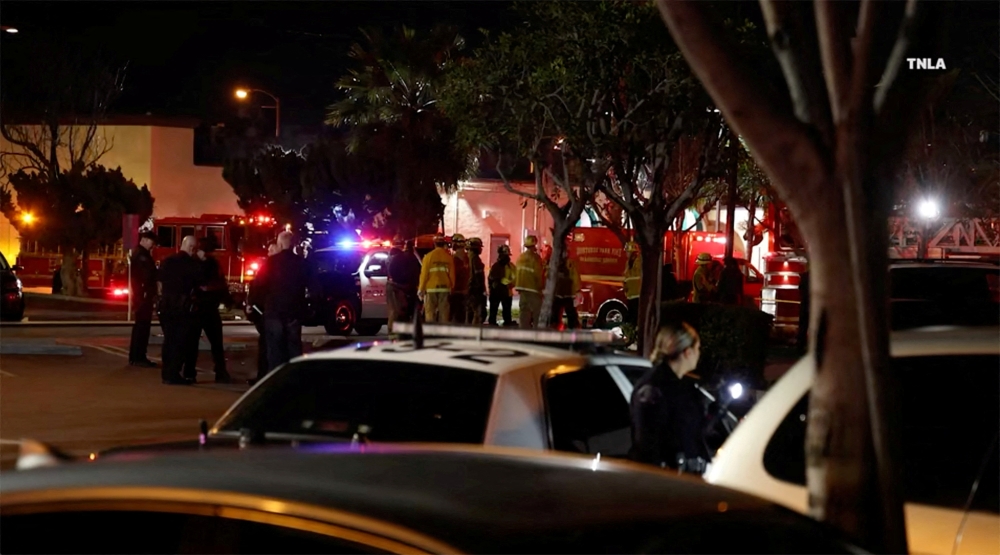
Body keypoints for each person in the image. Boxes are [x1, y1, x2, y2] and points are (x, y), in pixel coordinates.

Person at [629, 322, 712, 473]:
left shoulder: (677, 385)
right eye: (697, 348)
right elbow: (649, 444)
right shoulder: (656, 388)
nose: (699, 353)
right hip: (666, 483)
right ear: (687, 352)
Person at [156, 235, 203, 385]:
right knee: (180, 341)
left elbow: (159, 279)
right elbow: (200, 282)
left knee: (169, 340)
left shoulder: (168, 261)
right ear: (191, 248)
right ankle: (173, 374)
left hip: (166, 305)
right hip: (182, 307)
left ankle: (166, 373)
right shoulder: (192, 264)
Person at [186, 238, 231, 383]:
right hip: (207, 307)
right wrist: (227, 300)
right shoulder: (210, 264)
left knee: (193, 342)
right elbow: (221, 283)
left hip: (199, 307)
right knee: (215, 343)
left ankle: (190, 372)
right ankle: (220, 371)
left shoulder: (196, 263)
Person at [263, 231, 310, 372]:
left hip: (274, 310)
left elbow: (260, 284)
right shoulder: (301, 263)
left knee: (275, 348)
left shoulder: (271, 262)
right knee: (294, 346)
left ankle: (275, 378)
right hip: (294, 311)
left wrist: (255, 303)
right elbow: (313, 286)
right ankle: (295, 377)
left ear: (280, 243)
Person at [247, 242, 280, 386]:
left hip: (268, 311)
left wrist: (252, 303)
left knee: (268, 345)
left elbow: (258, 286)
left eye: (272, 250)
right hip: (269, 310)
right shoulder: (277, 265)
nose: (268, 253)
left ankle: (264, 377)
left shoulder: (271, 266)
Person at [128, 231, 159, 367]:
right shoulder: (142, 256)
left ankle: (136, 356)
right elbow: (147, 276)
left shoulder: (139, 254)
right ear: (145, 240)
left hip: (141, 295)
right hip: (143, 296)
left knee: (140, 326)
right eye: (152, 242)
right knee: (143, 327)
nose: (153, 245)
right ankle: (139, 357)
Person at [418, 235, 455, 323]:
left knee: (430, 312)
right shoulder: (448, 258)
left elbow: (424, 275)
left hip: (430, 289)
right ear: (443, 244)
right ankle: (442, 332)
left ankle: (431, 332)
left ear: (434, 244)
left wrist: (421, 289)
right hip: (445, 289)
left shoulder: (428, 257)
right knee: (444, 312)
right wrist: (452, 287)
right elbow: (452, 275)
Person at [514, 235, 544, 328]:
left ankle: (523, 334)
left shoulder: (520, 257)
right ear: (534, 245)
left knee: (524, 313)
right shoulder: (536, 258)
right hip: (533, 289)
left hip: (522, 290)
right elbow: (539, 275)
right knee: (537, 313)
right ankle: (537, 334)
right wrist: (542, 288)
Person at [550, 247, 581, 329]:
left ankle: (556, 328)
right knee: (569, 315)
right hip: (565, 294)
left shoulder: (556, 263)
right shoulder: (569, 263)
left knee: (558, 314)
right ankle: (571, 329)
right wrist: (577, 290)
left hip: (561, 293)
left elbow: (550, 276)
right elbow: (575, 277)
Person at [488, 245, 516, 326]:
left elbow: (515, 278)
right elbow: (491, 279)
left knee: (506, 312)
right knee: (493, 311)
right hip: (496, 292)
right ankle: (493, 324)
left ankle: (506, 323)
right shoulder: (496, 266)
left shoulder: (510, 266)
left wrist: (511, 284)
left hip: (506, 292)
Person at [385, 236, 406, 333]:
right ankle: (394, 331)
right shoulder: (399, 257)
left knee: (393, 310)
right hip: (397, 286)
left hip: (391, 284)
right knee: (397, 310)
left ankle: (392, 330)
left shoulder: (389, 256)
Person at [449, 234, 471, 323]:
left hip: (455, 291)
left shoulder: (453, 259)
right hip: (466, 291)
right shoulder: (468, 258)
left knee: (455, 316)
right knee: (463, 315)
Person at [466, 237, 488, 325]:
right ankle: (474, 333)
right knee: (478, 313)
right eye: (479, 247)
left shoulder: (467, 258)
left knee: (469, 313)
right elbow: (477, 277)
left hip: (470, 290)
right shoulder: (475, 260)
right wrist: (482, 290)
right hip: (475, 291)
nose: (481, 249)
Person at [623, 241, 642, 325]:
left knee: (634, 318)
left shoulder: (638, 260)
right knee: (631, 317)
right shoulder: (629, 262)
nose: (626, 253)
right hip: (631, 294)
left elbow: (636, 275)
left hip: (637, 294)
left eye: (627, 251)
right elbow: (627, 277)